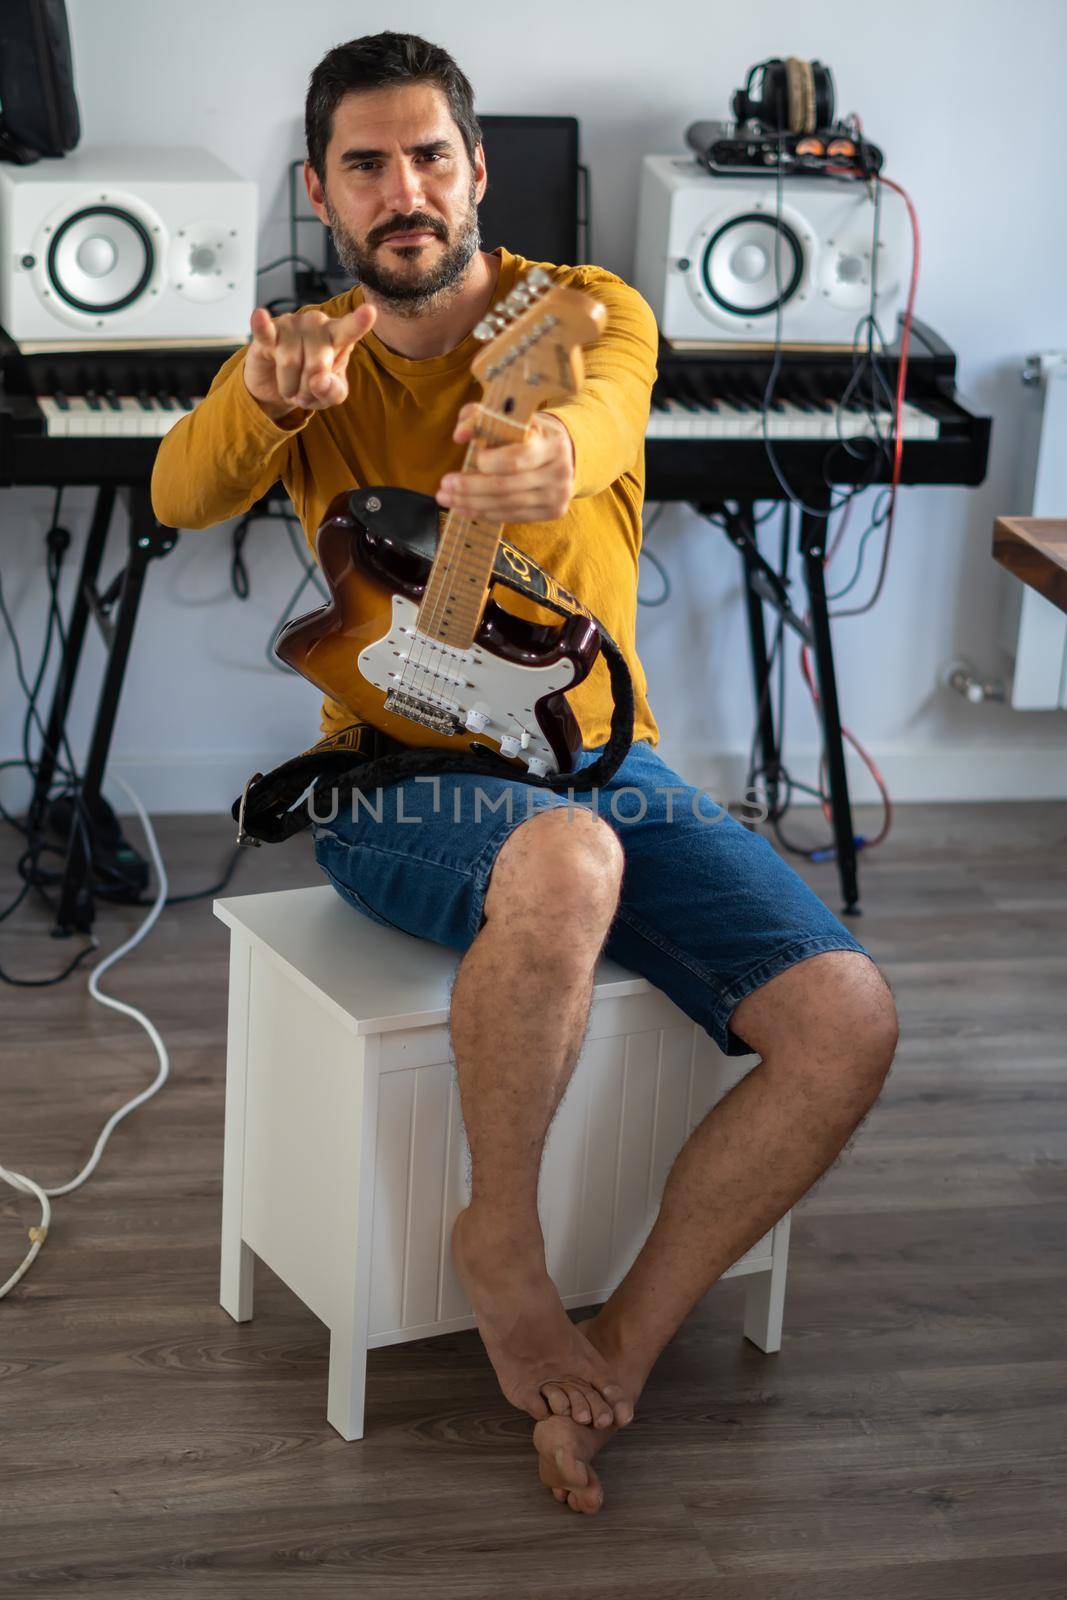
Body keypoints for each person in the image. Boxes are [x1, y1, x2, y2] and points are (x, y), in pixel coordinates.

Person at [151, 30, 899, 1517]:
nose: (403, 188)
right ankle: (502, 1235)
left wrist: (546, 454)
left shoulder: (590, 314)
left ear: (478, 171)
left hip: (600, 766)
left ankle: (622, 1347)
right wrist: (271, 403)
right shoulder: (311, 351)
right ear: (322, 191)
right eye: (366, 164)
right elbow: (182, 493)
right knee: (566, 861)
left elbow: (600, 418)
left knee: (846, 1015)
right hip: (389, 777)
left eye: (430, 155)